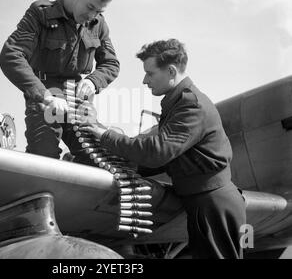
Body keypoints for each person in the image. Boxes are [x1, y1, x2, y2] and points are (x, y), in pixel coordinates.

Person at [79, 39, 247, 259]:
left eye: (150, 73)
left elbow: (157, 153)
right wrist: (116, 162)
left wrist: (104, 134)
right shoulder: (179, 103)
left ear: (170, 71)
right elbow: (169, 157)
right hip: (205, 201)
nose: (145, 80)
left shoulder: (191, 105)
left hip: (212, 204)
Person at [0, 0, 119, 163]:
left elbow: (111, 63)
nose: (92, 15)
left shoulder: (98, 24)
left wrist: (94, 81)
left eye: (98, 11)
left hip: (78, 98)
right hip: (46, 93)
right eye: (89, 7)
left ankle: (71, 164)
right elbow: (11, 55)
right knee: (44, 159)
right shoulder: (41, 13)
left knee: (98, 158)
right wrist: (45, 95)